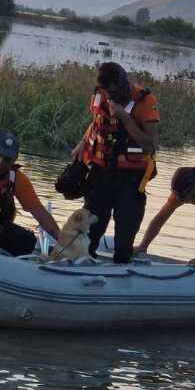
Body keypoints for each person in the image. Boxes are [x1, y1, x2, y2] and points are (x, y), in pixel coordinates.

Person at [70, 61, 160, 264]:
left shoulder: (144, 101)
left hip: (130, 179)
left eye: (114, 91)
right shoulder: (100, 96)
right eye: (106, 92)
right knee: (90, 231)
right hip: (100, 173)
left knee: (124, 237)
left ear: (123, 83)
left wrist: (124, 117)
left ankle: (122, 275)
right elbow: (97, 123)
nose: (111, 97)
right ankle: (80, 271)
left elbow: (151, 143)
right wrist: (82, 144)